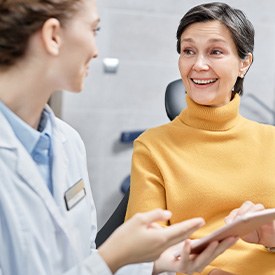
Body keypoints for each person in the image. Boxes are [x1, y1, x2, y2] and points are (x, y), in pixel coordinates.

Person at [0, 1, 238, 275]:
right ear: (53, 36)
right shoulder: (153, 146)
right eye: (94, 30)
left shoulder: (67, 142)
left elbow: (83, 258)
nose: (96, 50)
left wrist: (154, 266)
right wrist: (113, 256)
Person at [125, 2, 275, 275]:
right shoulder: (152, 147)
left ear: (244, 63)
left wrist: (271, 240)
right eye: (188, 51)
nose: (199, 65)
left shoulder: (272, 141)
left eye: (215, 51)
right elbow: (142, 251)